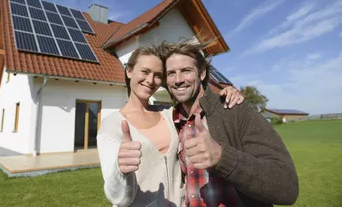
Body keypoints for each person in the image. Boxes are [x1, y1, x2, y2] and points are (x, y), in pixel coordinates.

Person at [97, 45, 244, 207]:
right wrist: (121, 171)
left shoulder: (170, 114)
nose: (151, 80)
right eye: (145, 72)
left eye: (158, 75)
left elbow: (199, 104)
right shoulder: (111, 126)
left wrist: (225, 95)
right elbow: (118, 198)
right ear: (129, 71)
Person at [159, 41, 299, 207]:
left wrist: (222, 157)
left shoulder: (234, 110)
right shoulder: (172, 120)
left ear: (202, 73)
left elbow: (288, 187)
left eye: (186, 71)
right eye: (171, 73)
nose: (178, 80)